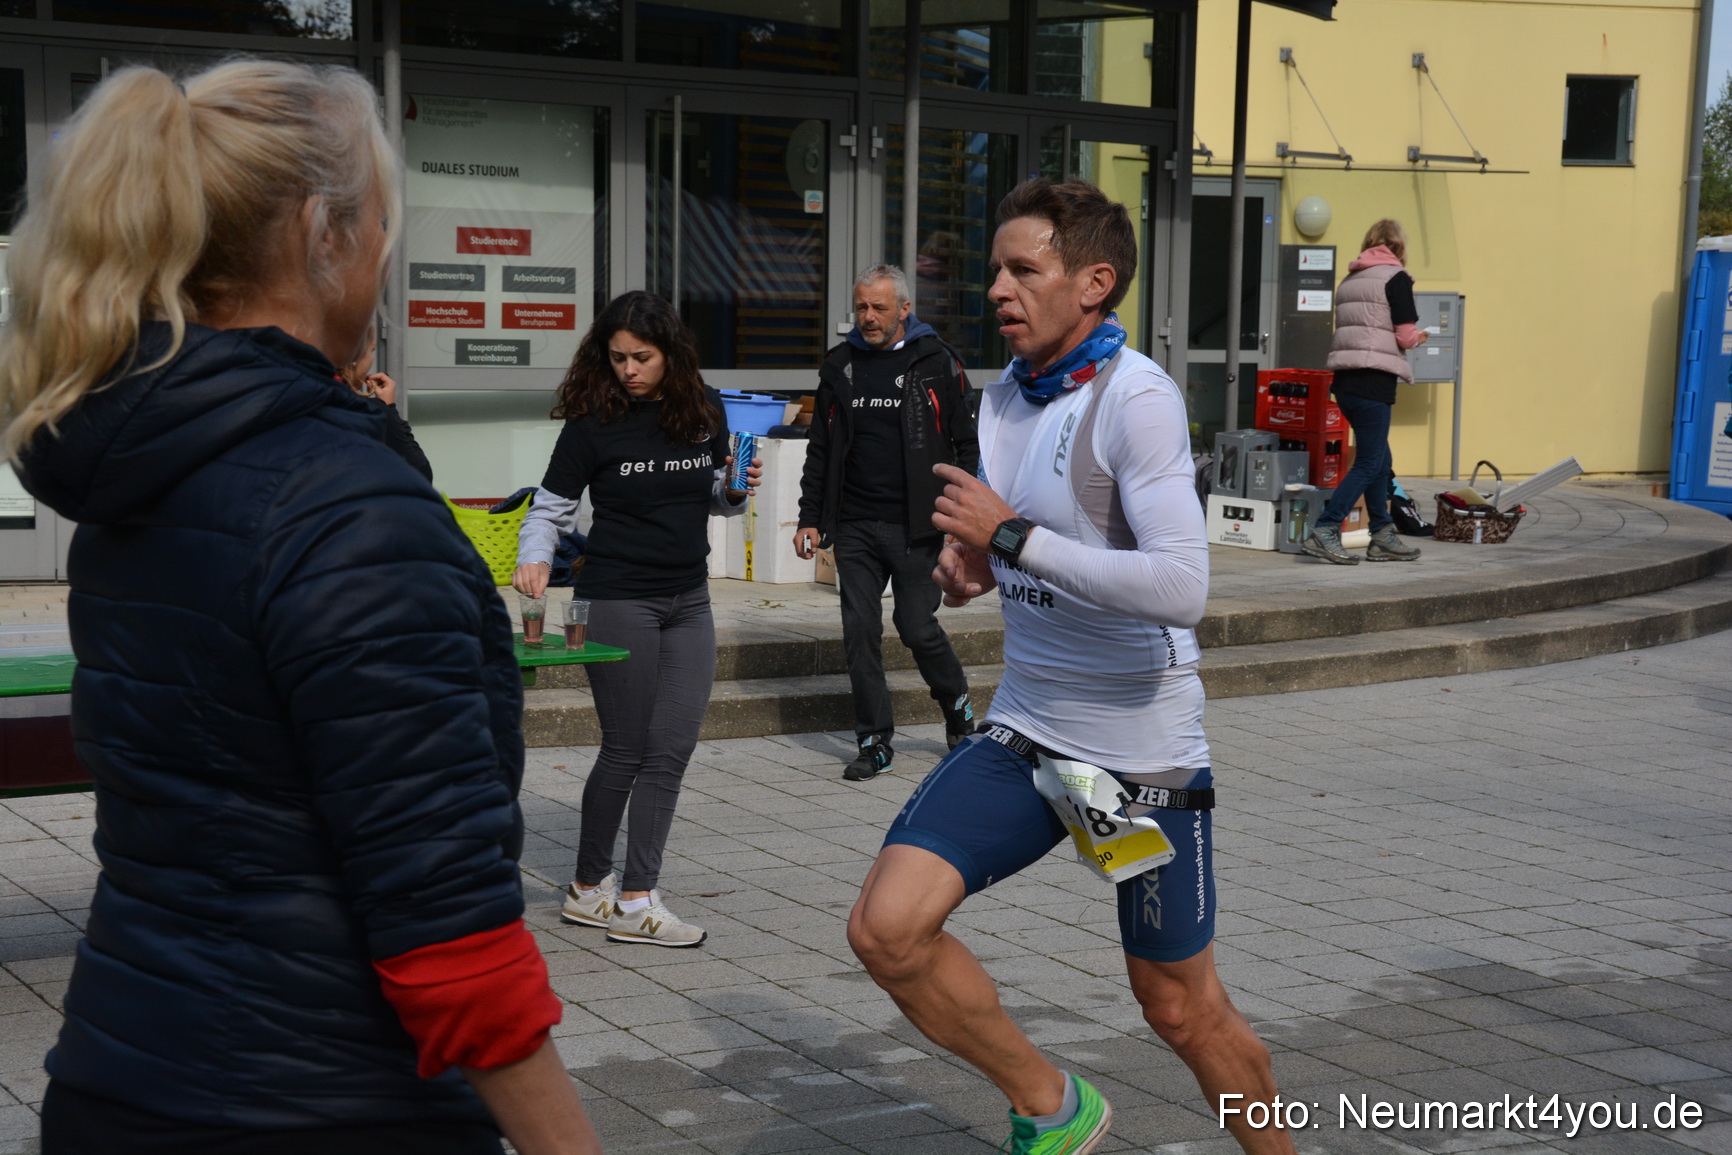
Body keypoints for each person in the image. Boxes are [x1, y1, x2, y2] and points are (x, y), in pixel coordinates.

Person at [3, 61, 599, 1155]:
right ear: (324, 235)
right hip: (321, 1104)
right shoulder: (347, 507)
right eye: (379, 223)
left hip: (118, 1078)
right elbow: (450, 936)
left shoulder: (140, 471)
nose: (385, 252)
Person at [847, 179, 1297, 1155]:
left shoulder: (1135, 401)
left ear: (1092, 282)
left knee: (1179, 1010)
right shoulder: (1004, 398)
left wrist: (1009, 539)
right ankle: (1053, 1107)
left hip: (1135, 766)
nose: (1000, 288)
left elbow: (1181, 587)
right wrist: (975, 567)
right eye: (994, 269)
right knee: (887, 930)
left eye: (1025, 269)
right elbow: (1020, 551)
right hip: (1030, 738)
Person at [514, 290, 758, 948]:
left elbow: (714, 495)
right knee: (626, 749)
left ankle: (630, 895)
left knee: (670, 750)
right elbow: (549, 508)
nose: (628, 369)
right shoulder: (594, 420)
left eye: (641, 357)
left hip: (689, 600)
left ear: (670, 353)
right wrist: (534, 559)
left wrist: (734, 487)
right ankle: (594, 888)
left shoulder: (702, 408)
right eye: (617, 357)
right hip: (617, 597)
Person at [793, 264, 978, 782]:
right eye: (861, 308)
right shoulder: (840, 365)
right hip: (854, 524)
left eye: (878, 308)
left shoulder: (938, 362)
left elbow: (966, 443)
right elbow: (821, 449)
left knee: (916, 627)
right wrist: (810, 518)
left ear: (904, 309)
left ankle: (958, 711)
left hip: (919, 526)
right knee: (859, 633)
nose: (868, 318)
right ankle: (874, 741)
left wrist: (960, 521)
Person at [1301, 219, 1426, 565]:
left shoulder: (1351, 279)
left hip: (1346, 383)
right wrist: (1419, 339)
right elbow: (1405, 336)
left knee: (1381, 461)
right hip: (1374, 382)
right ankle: (1326, 529)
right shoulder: (1395, 278)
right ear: (1399, 247)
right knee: (1371, 462)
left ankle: (1382, 534)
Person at [340, 319, 433, 482]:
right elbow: (420, 473)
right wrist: (389, 408)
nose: (372, 361)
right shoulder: (370, 413)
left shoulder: (303, 396)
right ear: (354, 355)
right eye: (372, 351)